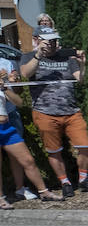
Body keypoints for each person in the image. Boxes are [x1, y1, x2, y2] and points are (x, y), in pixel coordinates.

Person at [21, 27, 88, 199]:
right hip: (45, 112)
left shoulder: (66, 57)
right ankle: (65, 182)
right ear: (38, 39)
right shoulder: (29, 56)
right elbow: (25, 73)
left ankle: (83, 179)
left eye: (54, 40)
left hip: (71, 111)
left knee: (84, 145)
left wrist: (82, 64)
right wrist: (39, 54)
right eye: (48, 40)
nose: (52, 43)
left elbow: (81, 80)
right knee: (54, 150)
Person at [0, 77, 63, 208]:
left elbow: (19, 102)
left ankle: (43, 192)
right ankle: (1, 198)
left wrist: (5, 88)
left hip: (6, 128)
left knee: (28, 160)